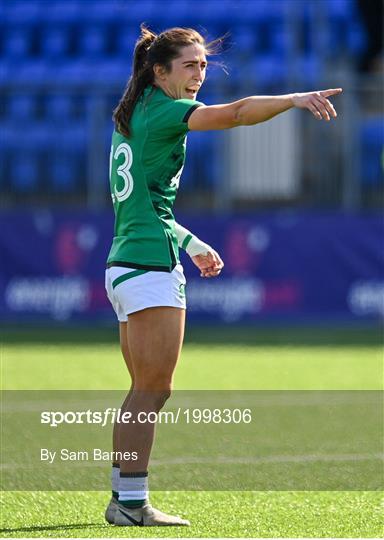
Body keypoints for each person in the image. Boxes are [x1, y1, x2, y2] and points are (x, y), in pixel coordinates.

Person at [104, 24, 342, 527]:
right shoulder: (165, 112)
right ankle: (130, 503)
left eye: (204, 65)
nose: (199, 75)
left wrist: (190, 243)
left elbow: (149, 204)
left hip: (129, 261)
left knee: (144, 389)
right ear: (159, 71)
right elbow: (235, 114)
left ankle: (125, 497)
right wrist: (295, 98)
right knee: (152, 389)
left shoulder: (136, 114)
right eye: (189, 66)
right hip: (146, 265)